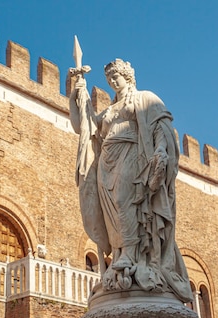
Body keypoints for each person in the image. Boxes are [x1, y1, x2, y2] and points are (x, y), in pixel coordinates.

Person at [69, 58, 191, 303]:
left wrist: (161, 150)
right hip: (107, 162)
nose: (113, 81)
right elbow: (84, 127)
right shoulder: (110, 110)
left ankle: (132, 255)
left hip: (131, 155)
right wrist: (79, 97)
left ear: (128, 76)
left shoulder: (144, 99)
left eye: (117, 76)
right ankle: (120, 254)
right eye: (110, 78)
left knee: (126, 202)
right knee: (112, 211)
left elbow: (161, 127)